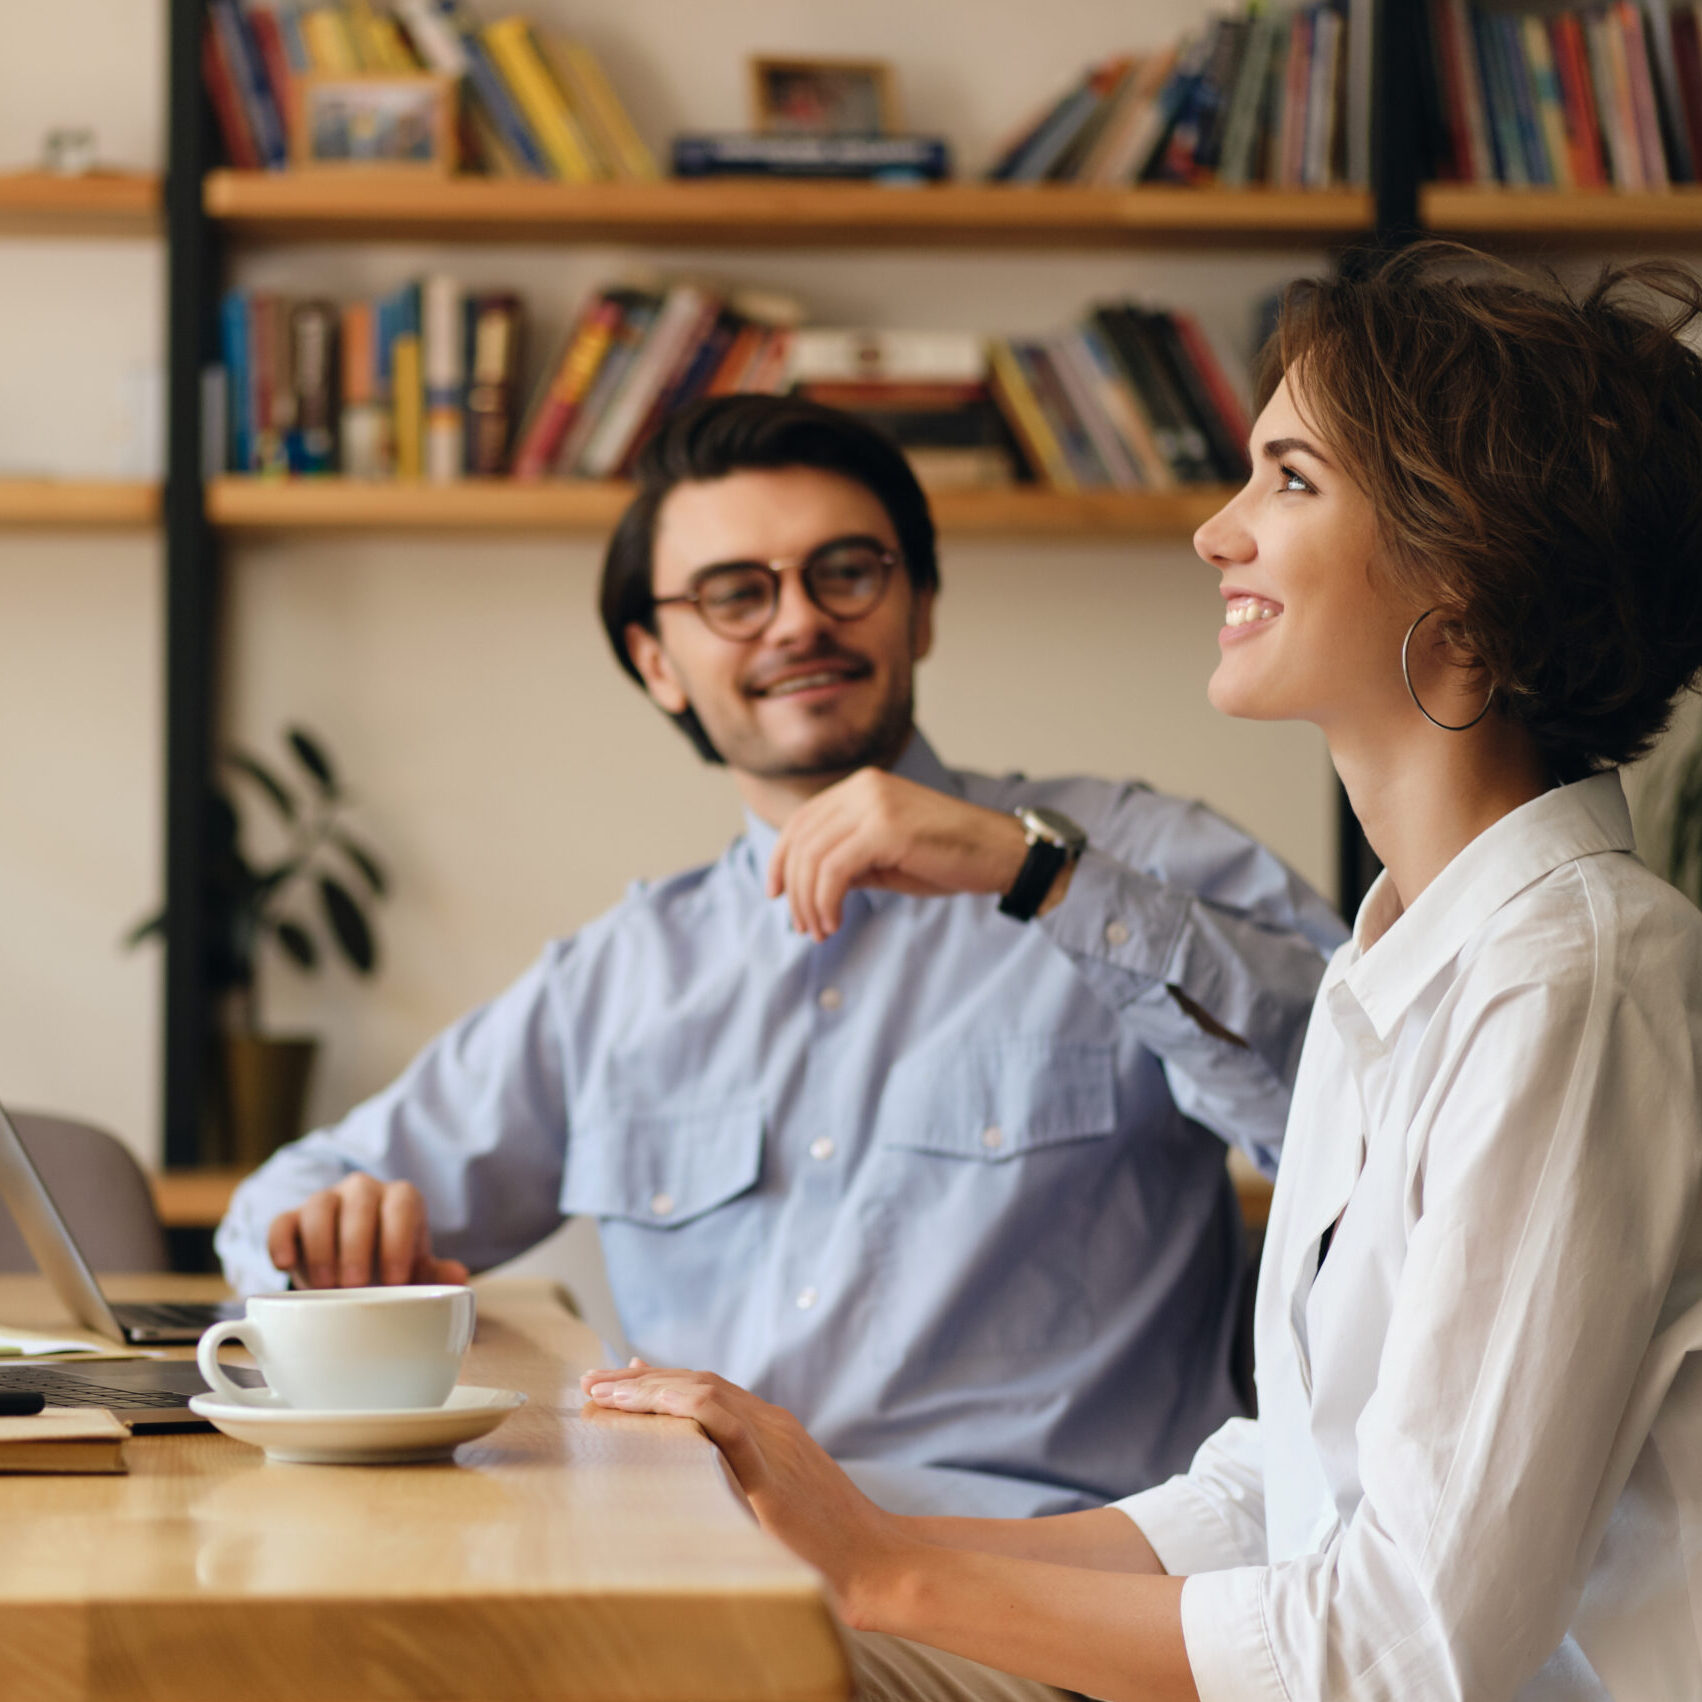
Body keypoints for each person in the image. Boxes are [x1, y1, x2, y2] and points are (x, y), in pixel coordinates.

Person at [581, 245, 1702, 1701]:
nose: (1213, 533)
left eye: (1287, 480)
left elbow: (1400, 1644)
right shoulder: (1399, 957)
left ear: (1468, 579)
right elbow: (1275, 1484)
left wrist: (883, 1573)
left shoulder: (1573, 980)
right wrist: (844, 1538)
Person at [216, 394, 1344, 1519]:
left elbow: (1382, 1122)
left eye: (844, 572)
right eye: (735, 594)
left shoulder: (1133, 860)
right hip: (705, 1569)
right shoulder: (620, 976)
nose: (797, 621)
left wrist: (1036, 877)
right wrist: (326, 1249)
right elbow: (287, 1200)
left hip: (1037, 1586)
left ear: (921, 608)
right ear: (659, 662)